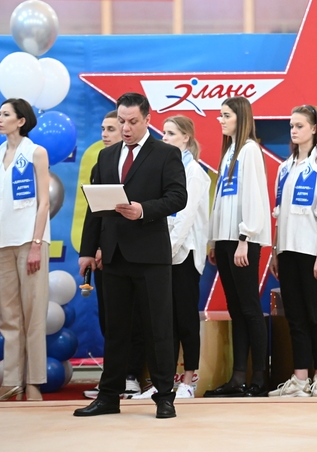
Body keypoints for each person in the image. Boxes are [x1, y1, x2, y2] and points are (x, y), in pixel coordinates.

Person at [74, 92, 187, 418]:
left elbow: (178, 197)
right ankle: (109, 396)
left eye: (132, 122)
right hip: (114, 255)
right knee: (116, 328)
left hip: (150, 255)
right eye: (121, 121)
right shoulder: (106, 157)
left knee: (158, 328)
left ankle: (165, 396)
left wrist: (144, 210)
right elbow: (94, 209)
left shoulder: (166, 154)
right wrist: (86, 251)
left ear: (147, 120)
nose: (125, 128)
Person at [0, 98, 50, 402]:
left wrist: (36, 244)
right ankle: (11, 381)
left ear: (21, 121)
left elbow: (44, 202)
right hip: (3, 243)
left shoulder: (36, 152)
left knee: (33, 314)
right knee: (9, 316)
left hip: (30, 241)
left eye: (6, 114)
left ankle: (33, 383)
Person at [133, 116, 210, 400]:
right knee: (163, 321)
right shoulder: (168, 169)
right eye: (162, 133)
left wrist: (167, 250)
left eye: (170, 133)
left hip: (184, 254)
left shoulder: (195, 173)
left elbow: (186, 218)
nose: (163, 138)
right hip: (164, 253)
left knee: (185, 319)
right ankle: (162, 381)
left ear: (186, 138)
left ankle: (188, 381)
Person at [268, 104, 317, 398]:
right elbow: (279, 212)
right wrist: (274, 251)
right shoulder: (285, 168)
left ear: (314, 129)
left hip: (313, 253)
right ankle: (299, 378)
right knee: (295, 316)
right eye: (291, 126)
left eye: (300, 125)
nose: (294, 130)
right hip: (287, 251)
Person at [204, 96, 272, 398]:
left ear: (240, 117)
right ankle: (237, 377)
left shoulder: (249, 150)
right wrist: (213, 239)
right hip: (226, 240)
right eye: (220, 115)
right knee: (236, 310)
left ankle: (259, 378)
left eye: (226, 115)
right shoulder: (229, 151)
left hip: (244, 241)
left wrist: (245, 238)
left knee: (249, 308)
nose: (221, 119)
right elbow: (220, 202)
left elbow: (255, 198)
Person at [82, 110, 144, 401]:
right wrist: (90, 249)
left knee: (131, 318)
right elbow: (95, 212)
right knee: (110, 319)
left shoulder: (138, 164)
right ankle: (113, 377)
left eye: (112, 127)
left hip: (130, 252)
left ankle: (131, 376)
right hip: (105, 252)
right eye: (104, 128)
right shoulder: (102, 163)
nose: (106, 133)